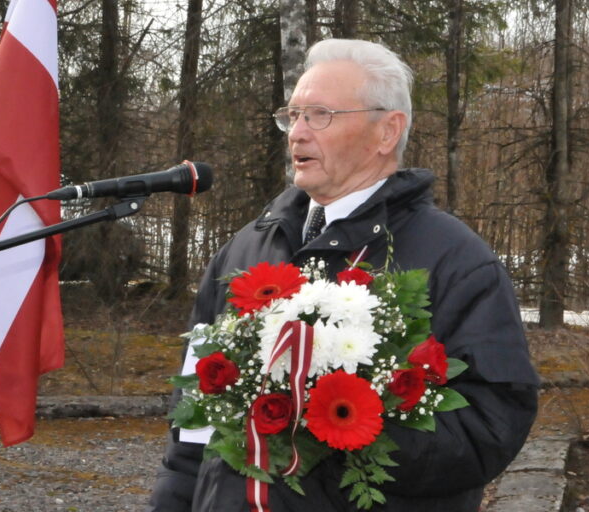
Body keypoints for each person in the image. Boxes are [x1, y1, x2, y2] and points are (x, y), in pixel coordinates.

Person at [147, 38, 540, 512]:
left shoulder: (456, 260)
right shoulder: (247, 247)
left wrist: (344, 425)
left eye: (320, 115)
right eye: (293, 115)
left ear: (387, 132)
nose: (297, 133)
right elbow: (191, 429)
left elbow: (490, 428)